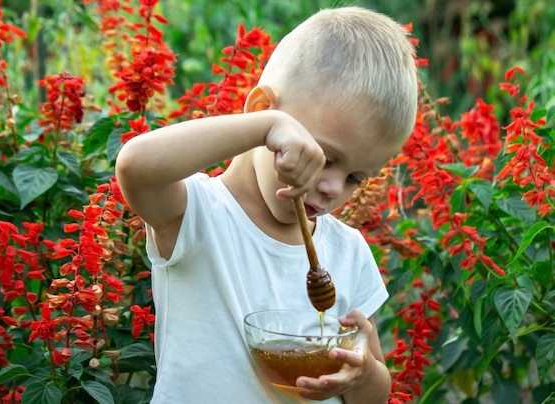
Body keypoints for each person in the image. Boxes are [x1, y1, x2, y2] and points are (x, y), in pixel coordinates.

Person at [115, 5, 418, 403]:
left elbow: (373, 396)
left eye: (355, 178)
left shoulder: (348, 254)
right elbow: (136, 167)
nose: (332, 188)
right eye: (323, 158)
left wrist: (362, 376)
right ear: (261, 111)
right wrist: (266, 128)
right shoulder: (196, 215)